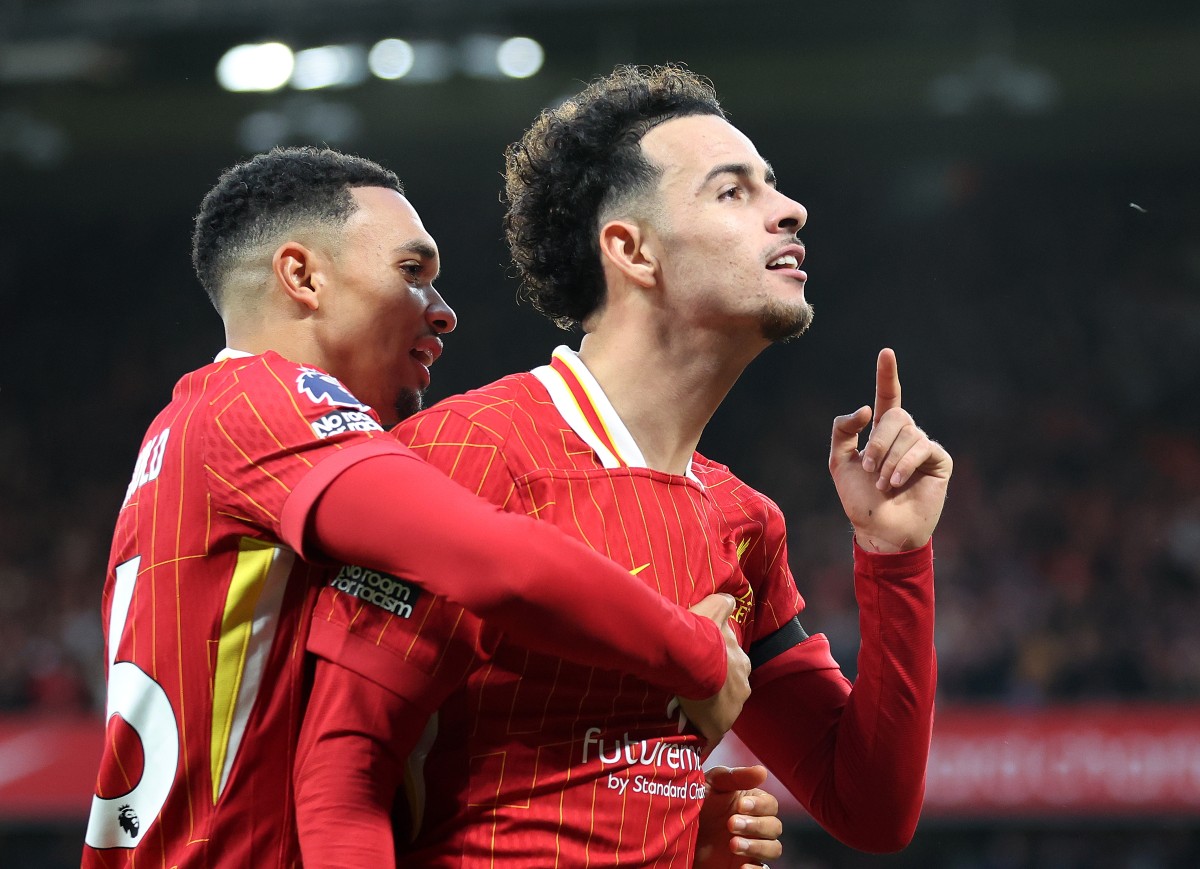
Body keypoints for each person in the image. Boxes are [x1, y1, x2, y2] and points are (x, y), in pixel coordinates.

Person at [294, 64, 951, 866]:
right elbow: (339, 785)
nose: (791, 209)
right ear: (632, 249)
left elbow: (871, 806)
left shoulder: (744, 523)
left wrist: (895, 557)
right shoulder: (463, 456)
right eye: (733, 191)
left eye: (773, 186)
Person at [81, 145, 759, 868]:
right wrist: (695, 652)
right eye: (412, 274)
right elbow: (495, 560)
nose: (444, 312)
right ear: (302, 276)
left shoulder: (184, 433)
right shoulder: (263, 403)